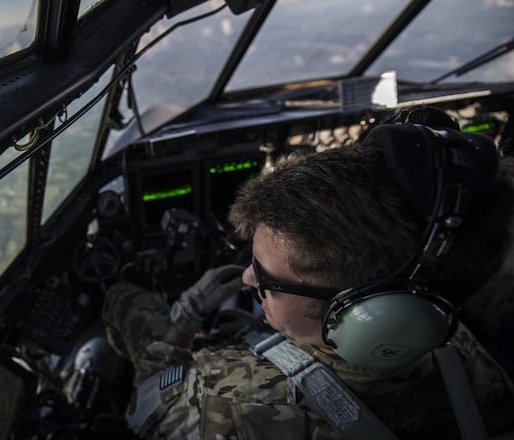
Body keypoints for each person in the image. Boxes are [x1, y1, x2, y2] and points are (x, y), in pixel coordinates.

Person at [102, 109, 514, 439]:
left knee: (121, 296)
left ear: (366, 315)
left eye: (267, 279)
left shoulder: (233, 397)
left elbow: (144, 410)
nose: (248, 279)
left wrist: (184, 321)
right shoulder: (456, 347)